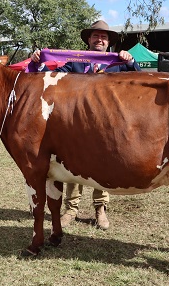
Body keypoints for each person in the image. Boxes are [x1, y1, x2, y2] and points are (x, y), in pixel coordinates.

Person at [31, 20, 141, 230]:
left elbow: (139, 79)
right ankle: (71, 209)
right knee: (74, 166)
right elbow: (51, 74)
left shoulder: (118, 63)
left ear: (109, 42)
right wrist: (38, 62)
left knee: (103, 166)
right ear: (89, 40)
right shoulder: (75, 62)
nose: (99, 40)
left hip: (108, 126)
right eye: (95, 36)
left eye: (104, 37)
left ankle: (100, 209)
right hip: (78, 125)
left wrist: (131, 61)